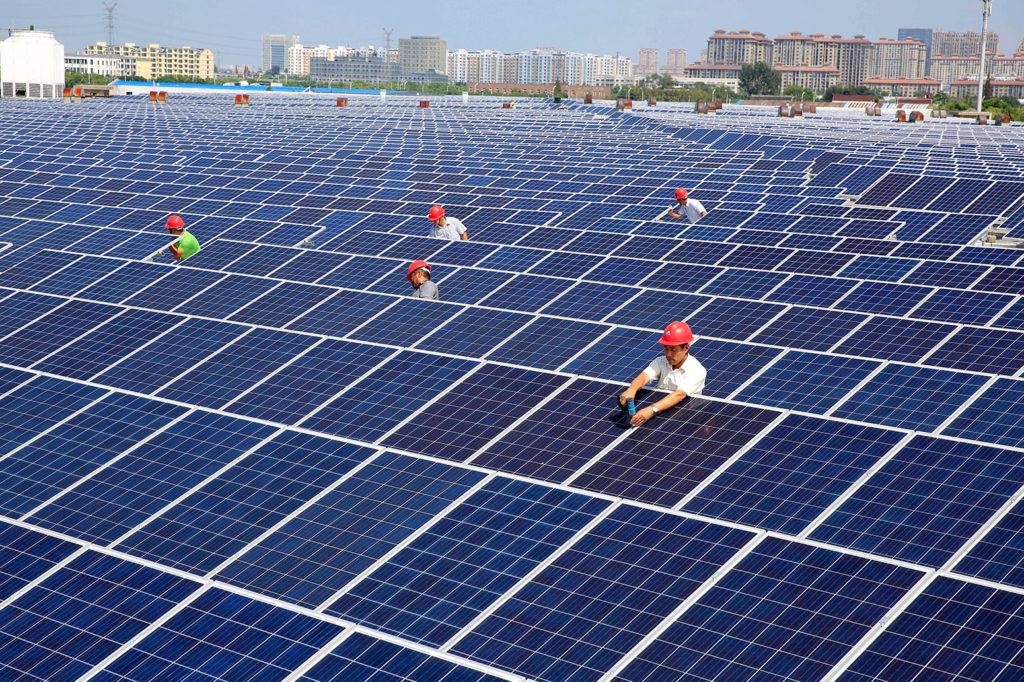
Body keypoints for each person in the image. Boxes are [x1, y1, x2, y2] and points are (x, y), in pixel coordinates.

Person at [619, 321, 706, 426]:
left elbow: (679, 395)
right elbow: (644, 377)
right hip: (661, 413)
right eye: (666, 349)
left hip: (684, 419)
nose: (668, 354)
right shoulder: (660, 361)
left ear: (686, 348)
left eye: (673, 350)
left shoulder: (697, 370)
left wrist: (652, 409)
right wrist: (631, 390)